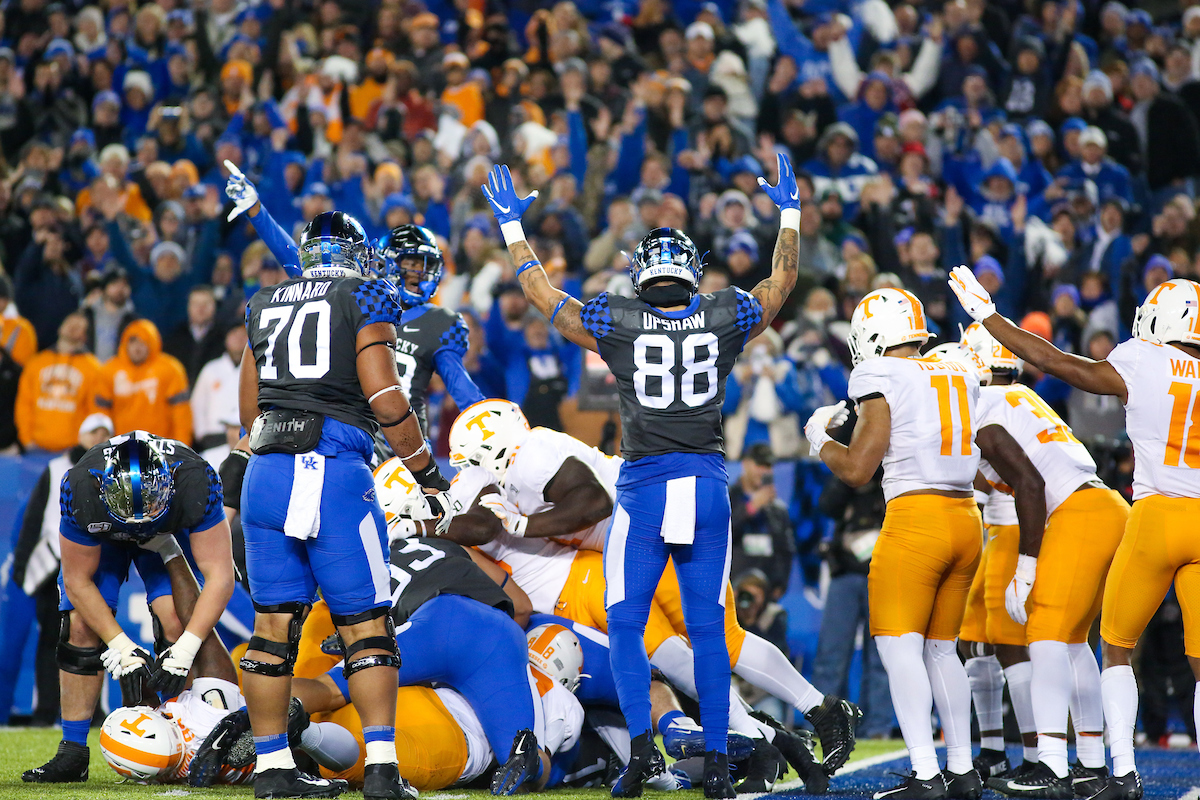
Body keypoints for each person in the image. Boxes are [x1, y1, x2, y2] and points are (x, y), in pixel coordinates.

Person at [480, 153, 809, 798]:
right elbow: (781, 284)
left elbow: (545, 299)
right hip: (707, 485)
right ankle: (717, 760)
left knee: (626, 623)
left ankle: (638, 753)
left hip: (646, 487)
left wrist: (514, 230)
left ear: (640, 274)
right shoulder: (721, 313)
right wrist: (789, 214)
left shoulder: (620, 320)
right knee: (708, 627)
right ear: (689, 272)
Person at [442, 402, 839, 794]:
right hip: (626, 547)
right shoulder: (515, 464)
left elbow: (587, 502)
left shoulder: (529, 456)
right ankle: (778, 743)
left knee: (706, 649)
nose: (465, 470)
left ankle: (810, 716)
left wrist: (453, 520)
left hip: (633, 545)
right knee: (692, 657)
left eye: (469, 460)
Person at [947, 269, 1200, 800]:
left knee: (1102, 645)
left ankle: (1090, 769)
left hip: (1146, 514)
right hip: (1164, 512)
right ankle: (1083, 760)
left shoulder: (1141, 358)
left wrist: (990, 316)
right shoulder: (1019, 402)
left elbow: (1058, 364)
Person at [234, 209, 452, 800]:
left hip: (267, 471)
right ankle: (382, 769)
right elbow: (384, 394)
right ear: (355, 255)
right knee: (367, 626)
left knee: (271, 629)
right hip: (329, 470)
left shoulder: (264, 301)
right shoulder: (364, 292)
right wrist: (426, 472)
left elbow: (247, 412)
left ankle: (273, 768)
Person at [804, 289, 983, 800]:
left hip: (917, 520)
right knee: (942, 651)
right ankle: (962, 772)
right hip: (966, 518)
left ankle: (926, 775)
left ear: (872, 337)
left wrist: (820, 439)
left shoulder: (877, 373)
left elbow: (859, 468)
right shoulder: (958, 367)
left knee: (897, 647)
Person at [950, 326, 1128, 798]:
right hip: (1102, 506)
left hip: (1079, 511)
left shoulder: (985, 411)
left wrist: (1025, 567)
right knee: (1072, 643)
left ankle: (1051, 764)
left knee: (1046, 635)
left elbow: (1029, 485)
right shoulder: (1019, 395)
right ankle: (1090, 763)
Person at [22, 430, 235, 784]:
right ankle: (73, 751)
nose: (139, 522)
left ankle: (179, 738)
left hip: (167, 534)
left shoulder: (195, 479)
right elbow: (77, 581)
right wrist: (122, 648)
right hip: (107, 535)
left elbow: (220, 577)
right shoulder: (82, 486)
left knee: (176, 620)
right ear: (105, 490)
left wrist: (185, 648)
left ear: (169, 485)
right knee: (79, 626)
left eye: (148, 507)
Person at [10, 414, 113, 728]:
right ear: (81, 435)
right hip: (53, 566)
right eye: (93, 431)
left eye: (104, 433)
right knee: (51, 640)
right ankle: (45, 710)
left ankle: (94, 711)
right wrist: (23, 565)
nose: (98, 437)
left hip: (95, 563)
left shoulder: (112, 470)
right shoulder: (55, 468)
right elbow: (34, 518)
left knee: (98, 638)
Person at [374, 225, 485, 432]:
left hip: (407, 448)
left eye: (427, 265)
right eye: (413, 262)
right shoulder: (358, 309)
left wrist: (488, 424)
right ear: (386, 262)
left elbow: (462, 390)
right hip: (359, 441)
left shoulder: (438, 322)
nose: (420, 271)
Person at [94, 319, 192, 444]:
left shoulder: (170, 369)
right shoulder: (109, 371)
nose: (137, 348)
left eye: (143, 343)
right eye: (133, 342)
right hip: (120, 448)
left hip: (160, 448)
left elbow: (181, 414)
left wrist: (182, 448)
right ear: (124, 344)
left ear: (152, 343)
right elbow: (100, 415)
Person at [15, 312, 102, 453]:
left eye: (79, 326)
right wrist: (26, 438)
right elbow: (24, 404)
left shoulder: (94, 368)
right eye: (69, 322)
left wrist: (85, 444)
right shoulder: (37, 363)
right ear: (60, 327)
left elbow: (95, 410)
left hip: (73, 449)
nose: (72, 327)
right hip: (36, 446)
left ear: (85, 335)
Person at [729, 443, 795, 596]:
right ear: (745, 464)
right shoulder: (727, 498)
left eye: (769, 466)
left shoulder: (777, 509)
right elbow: (720, 535)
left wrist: (780, 584)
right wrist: (751, 508)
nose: (765, 471)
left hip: (766, 592)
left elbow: (785, 550)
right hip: (733, 587)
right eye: (760, 465)